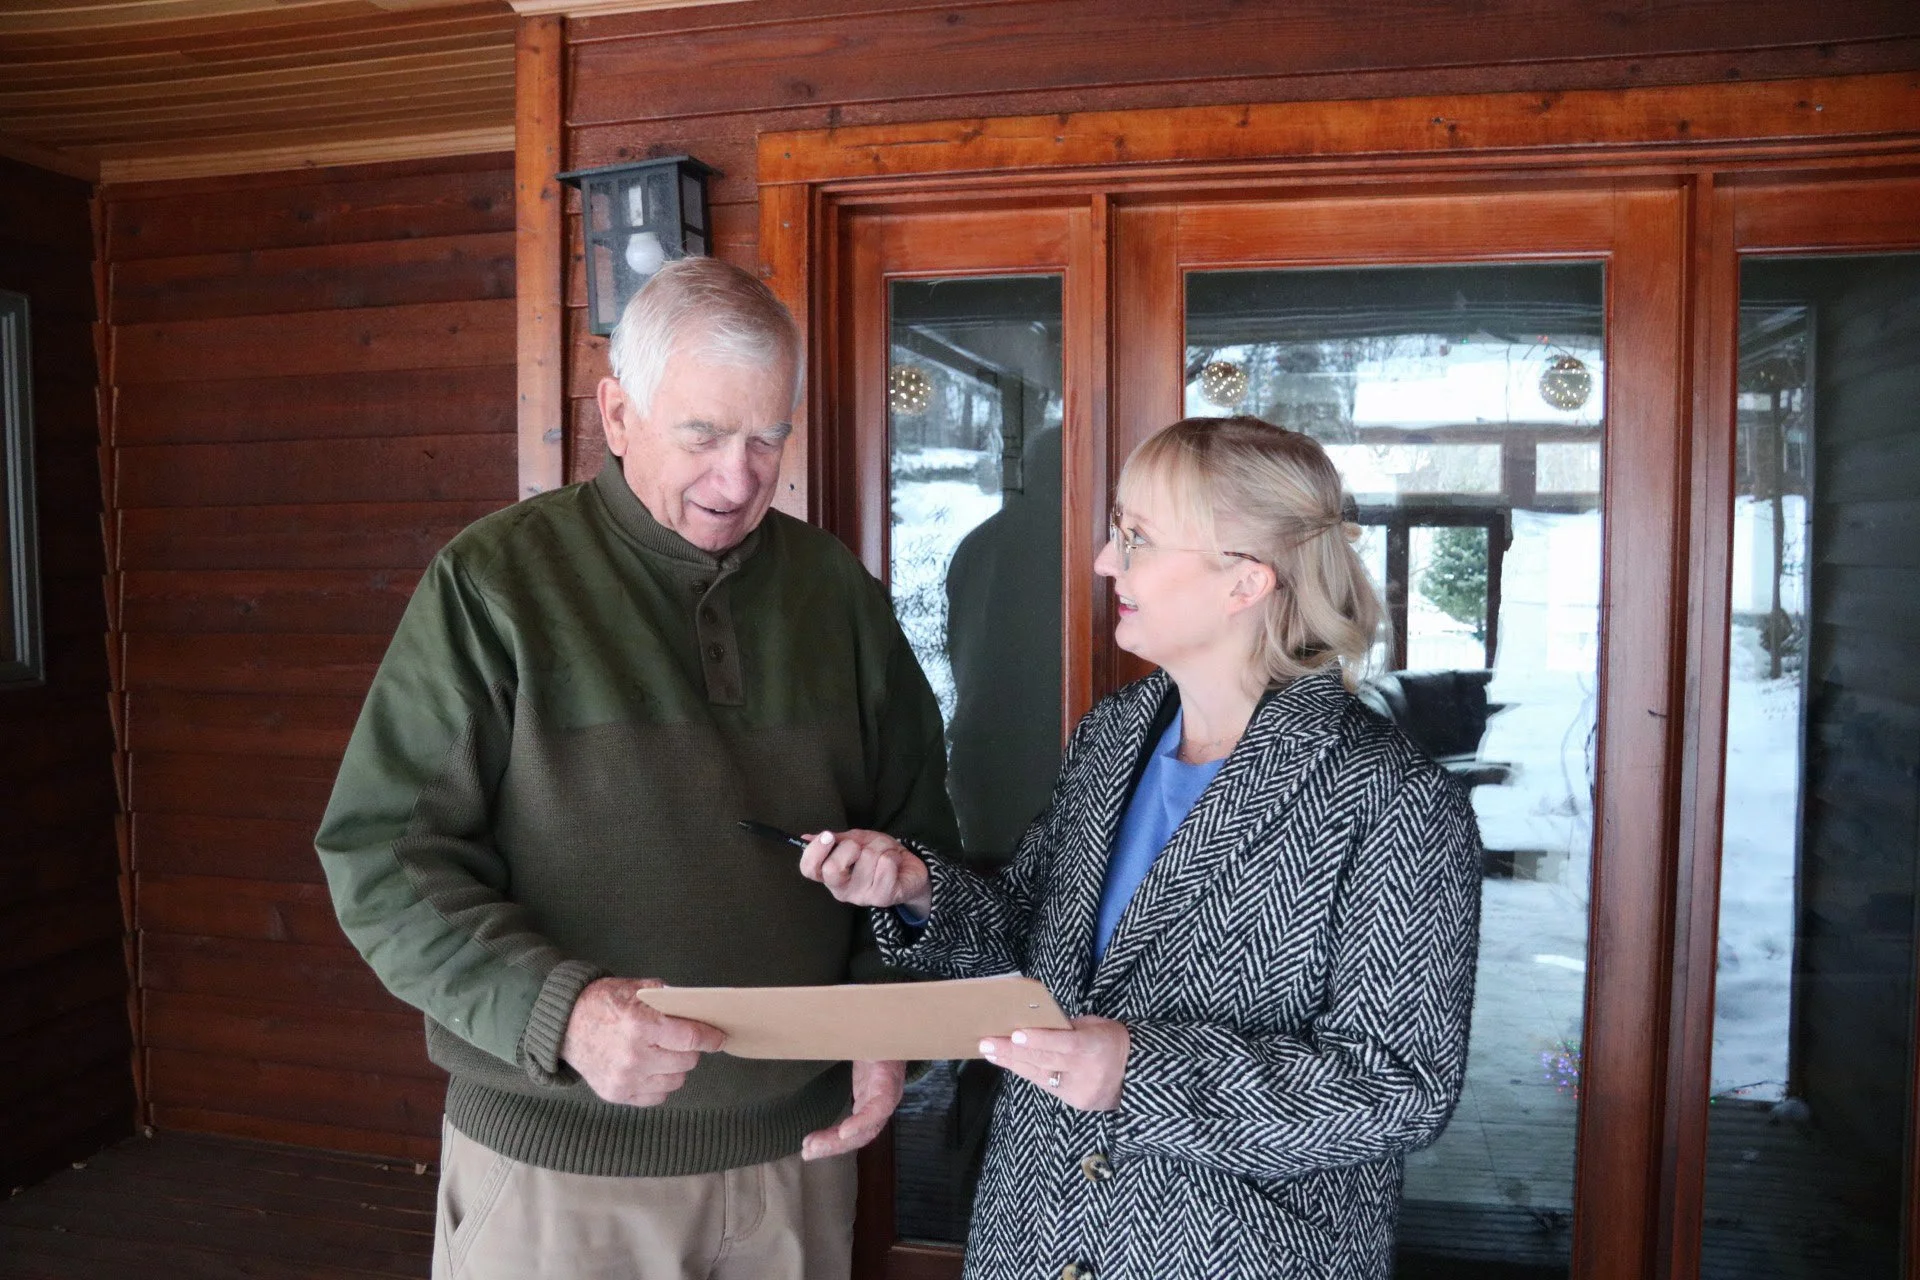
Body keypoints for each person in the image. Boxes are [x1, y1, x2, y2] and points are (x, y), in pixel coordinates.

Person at [315, 256, 960, 1280]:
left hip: (793, 1164)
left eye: (768, 438)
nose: (739, 478)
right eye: (702, 434)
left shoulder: (837, 591)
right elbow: (381, 857)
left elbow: (923, 842)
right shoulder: (494, 581)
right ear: (617, 414)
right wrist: (559, 1010)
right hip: (556, 1166)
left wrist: (885, 1021)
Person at [800, 415, 1483, 1280]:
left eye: (1138, 538)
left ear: (1244, 582)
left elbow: (1399, 1088)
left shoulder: (1390, 798)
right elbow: (1026, 938)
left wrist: (1138, 1072)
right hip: (1035, 1237)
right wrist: (916, 888)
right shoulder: (1115, 737)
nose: (1104, 561)